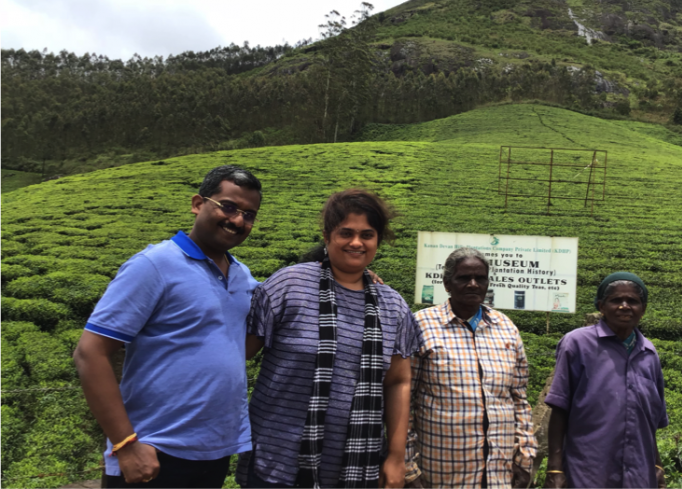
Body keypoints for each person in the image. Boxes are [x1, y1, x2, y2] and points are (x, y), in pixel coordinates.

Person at [74, 165, 263, 489]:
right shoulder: (154, 265)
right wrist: (125, 444)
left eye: (249, 214)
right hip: (152, 453)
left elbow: (238, 345)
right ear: (197, 203)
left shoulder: (242, 276)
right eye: (228, 207)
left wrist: (350, 277)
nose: (237, 221)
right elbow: (89, 354)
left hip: (214, 454)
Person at [245, 189, 421, 489]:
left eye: (367, 234)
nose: (356, 242)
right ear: (327, 236)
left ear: (378, 240)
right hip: (278, 459)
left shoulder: (393, 306)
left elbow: (397, 381)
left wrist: (395, 456)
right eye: (346, 233)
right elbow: (240, 352)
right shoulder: (289, 285)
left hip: (358, 466)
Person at [405, 247, 537, 489]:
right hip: (441, 473)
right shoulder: (420, 325)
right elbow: (403, 400)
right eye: (464, 278)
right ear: (447, 284)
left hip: (499, 473)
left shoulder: (506, 327)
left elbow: (519, 398)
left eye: (480, 278)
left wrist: (525, 456)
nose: (474, 284)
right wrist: (407, 468)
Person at [544, 272, 669, 489]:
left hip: (639, 474)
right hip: (587, 472)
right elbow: (559, 408)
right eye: (616, 300)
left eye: (632, 301)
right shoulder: (577, 344)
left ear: (643, 309)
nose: (624, 306)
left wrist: (656, 465)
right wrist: (555, 468)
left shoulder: (649, 353)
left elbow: (648, 421)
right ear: (601, 306)